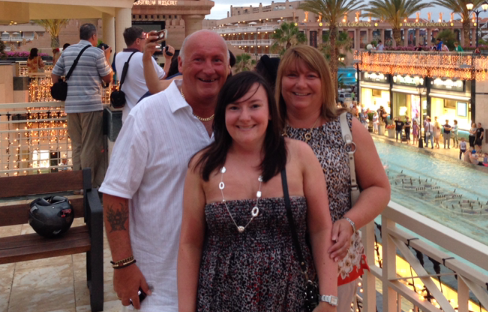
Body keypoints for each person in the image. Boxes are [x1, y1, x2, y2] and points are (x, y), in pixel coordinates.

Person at [178, 71, 337, 312]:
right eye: (234, 108)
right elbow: (190, 244)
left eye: (254, 106)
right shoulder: (202, 167)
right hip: (220, 299)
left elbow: (321, 228)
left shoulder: (299, 156)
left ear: (270, 112)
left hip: (289, 297)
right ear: (223, 113)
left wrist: (329, 299)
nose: (245, 117)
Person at [99, 30, 229, 311]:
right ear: (180, 64)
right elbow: (115, 193)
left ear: (228, 67)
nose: (209, 69)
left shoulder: (238, 121)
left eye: (217, 60)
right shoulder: (147, 115)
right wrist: (123, 264)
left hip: (223, 284)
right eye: (199, 59)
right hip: (160, 286)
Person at [276, 45, 391, 312]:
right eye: (292, 75)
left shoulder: (348, 129)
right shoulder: (266, 128)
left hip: (335, 258)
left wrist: (350, 222)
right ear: (280, 81)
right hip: (276, 263)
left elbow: (379, 187)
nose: (301, 83)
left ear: (324, 82)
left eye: (311, 76)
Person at [51, 23, 112, 188]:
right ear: (93, 36)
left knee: (77, 145)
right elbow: (107, 78)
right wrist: (106, 58)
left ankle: (77, 184)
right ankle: (87, 185)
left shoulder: (68, 51)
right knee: (89, 146)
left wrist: (62, 91)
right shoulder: (96, 53)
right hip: (90, 105)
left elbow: (55, 74)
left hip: (71, 106)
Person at [115, 26, 174, 122]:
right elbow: (163, 77)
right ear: (138, 41)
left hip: (127, 116)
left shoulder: (118, 56)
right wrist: (168, 59)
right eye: (144, 38)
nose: (146, 41)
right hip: (145, 114)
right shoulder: (143, 58)